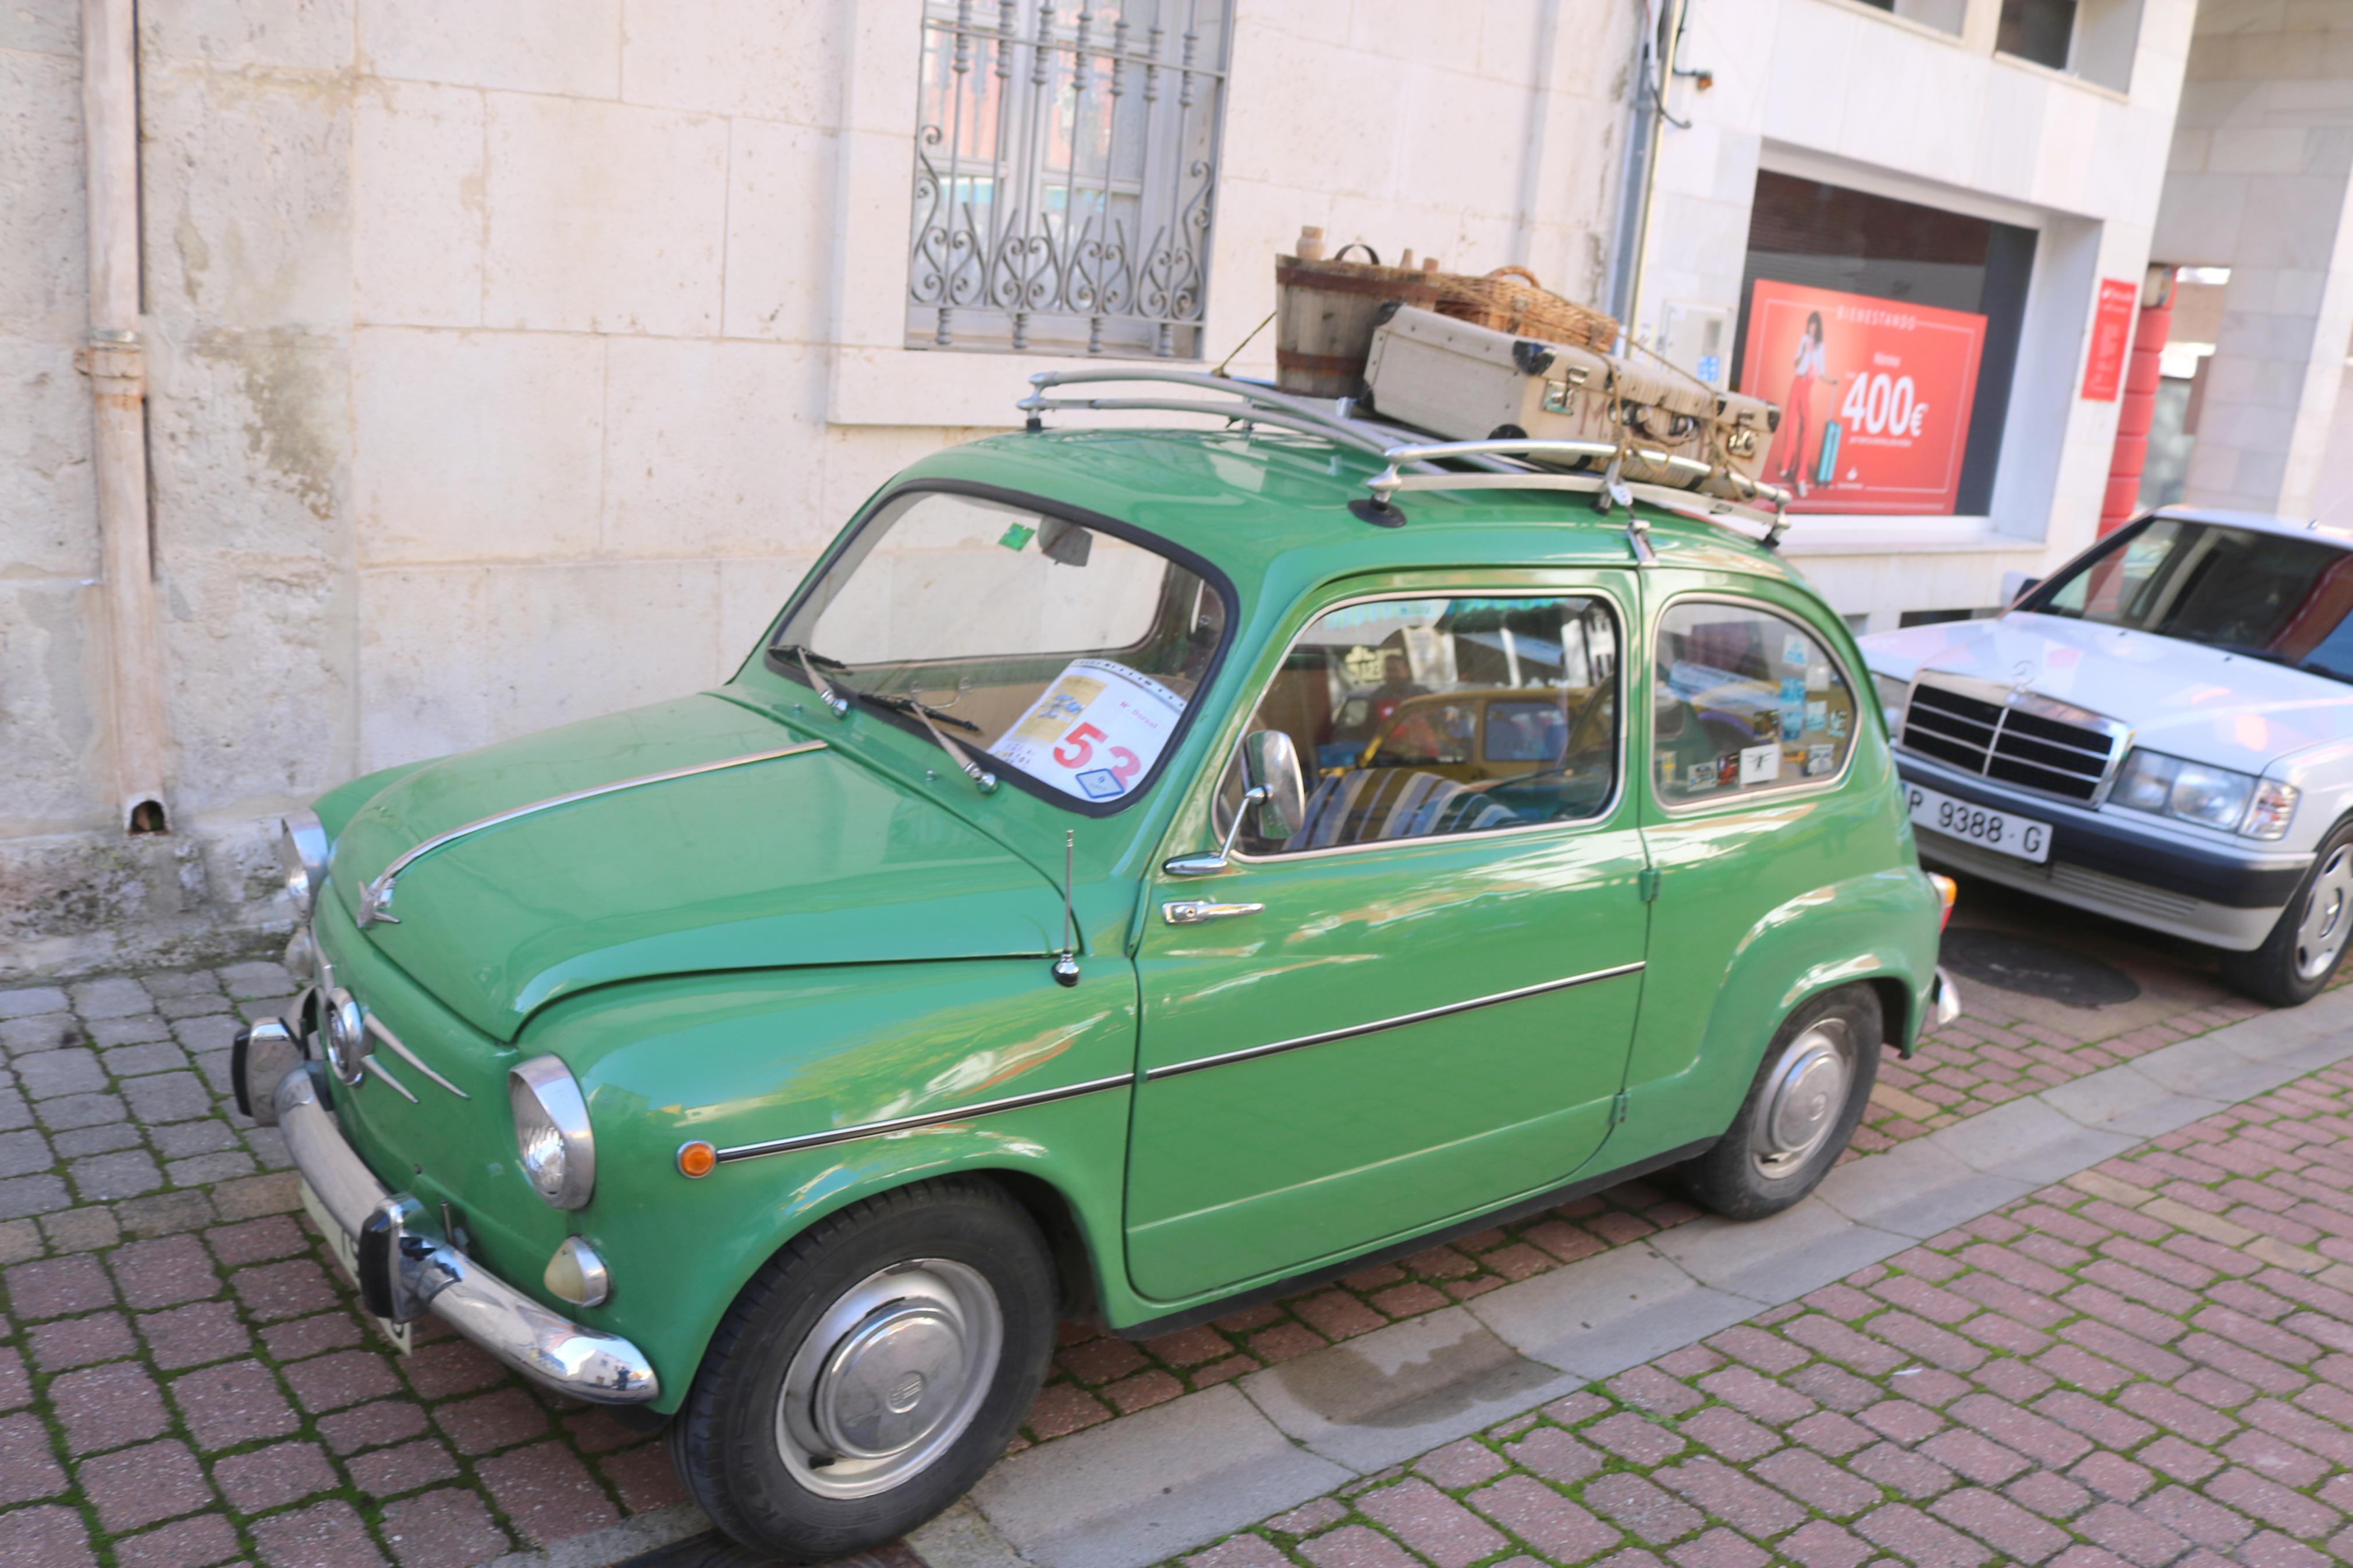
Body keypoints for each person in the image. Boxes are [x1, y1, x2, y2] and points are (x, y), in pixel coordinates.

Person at [1763, 309, 1839, 499]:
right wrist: (1805, 350)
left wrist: (1832, 381)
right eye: (1810, 325)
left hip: (1807, 386)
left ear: (1818, 327)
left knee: (1807, 430)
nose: (1812, 329)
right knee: (1790, 425)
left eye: (1815, 326)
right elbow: (1796, 364)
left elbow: (1821, 371)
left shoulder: (1821, 346)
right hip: (1797, 383)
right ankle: (1787, 464)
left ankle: (1801, 476)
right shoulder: (1804, 340)